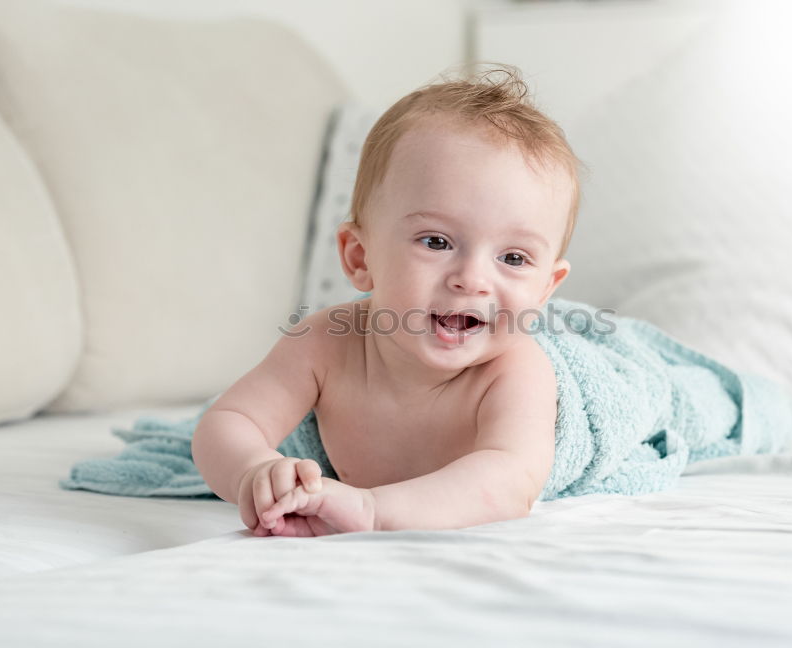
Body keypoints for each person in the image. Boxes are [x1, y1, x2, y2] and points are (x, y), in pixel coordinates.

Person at [192, 66, 580, 536]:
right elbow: (230, 421)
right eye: (436, 242)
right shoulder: (323, 345)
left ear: (545, 289)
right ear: (360, 257)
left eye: (514, 257)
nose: (472, 280)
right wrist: (252, 471)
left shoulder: (514, 371)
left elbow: (510, 481)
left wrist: (372, 510)